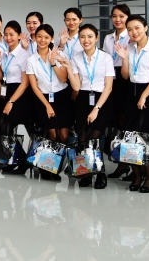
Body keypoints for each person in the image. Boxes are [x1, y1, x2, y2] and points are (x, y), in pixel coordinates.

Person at [116, 15, 149, 193]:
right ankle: (137, 176)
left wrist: (144, 96)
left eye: (137, 28)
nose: (133, 32)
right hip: (131, 92)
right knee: (130, 137)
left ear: (145, 27)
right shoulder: (129, 47)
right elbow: (125, 76)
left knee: (144, 138)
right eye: (130, 29)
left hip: (148, 94)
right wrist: (124, 58)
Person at [66, 23, 114, 189]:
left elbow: (108, 87)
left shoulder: (106, 58)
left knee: (95, 138)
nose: (86, 40)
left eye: (90, 36)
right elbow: (76, 86)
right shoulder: (76, 58)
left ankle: (100, 173)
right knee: (82, 137)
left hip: (102, 100)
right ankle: (85, 172)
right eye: (82, 37)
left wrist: (96, 109)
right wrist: (68, 67)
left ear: (96, 38)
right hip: (82, 99)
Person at [25, 24, 73, 155]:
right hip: (44, 98)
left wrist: (53, 63)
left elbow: (63, 79)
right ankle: (51, 164)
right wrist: (47, 106)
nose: (42, 40)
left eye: (46, 37)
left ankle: (61, 162)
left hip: (62, 96)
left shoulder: (59, 55)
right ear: (35, 38)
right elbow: (34, 87)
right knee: (52, 135)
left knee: (64, 136)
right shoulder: (31, 60)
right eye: (39, 36)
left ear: (51, 39)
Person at [0, 20, 32, 173]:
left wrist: (11, 101)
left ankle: (24, 160)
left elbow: (25, 83)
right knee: (6, 128)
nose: (8, 38)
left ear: (19, 36)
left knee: (10, 127)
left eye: (12, 34)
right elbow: (1, 76)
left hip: (20, 94)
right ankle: (19, 159)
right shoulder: (6, 54)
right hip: (8, 90)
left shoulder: (24, 55)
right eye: (6, 34)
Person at [102, 3, 132, 180]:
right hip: (111, 78)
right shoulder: (108, 38)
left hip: (126, 78)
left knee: (126, 122)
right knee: (116, 123)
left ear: (127, 17)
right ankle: (121, 163)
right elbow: (106, 60)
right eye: (114, 16)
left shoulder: (132, 36)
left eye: (121, 16)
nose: (118, 19)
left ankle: (130, 164)